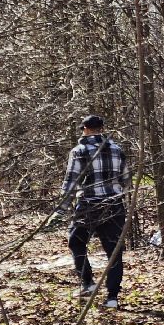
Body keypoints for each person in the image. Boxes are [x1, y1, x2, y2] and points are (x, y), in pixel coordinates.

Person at [54, 115, 130, 308]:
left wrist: (61, 211)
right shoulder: (117, 150)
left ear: (85, 129)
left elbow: (70, 182)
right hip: (114, 205)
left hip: (89, 205)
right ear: (102, 128)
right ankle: (112, 297)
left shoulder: (79, 151)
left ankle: (87, 283)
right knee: (114, 252)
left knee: (76, 242)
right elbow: (126, 179)